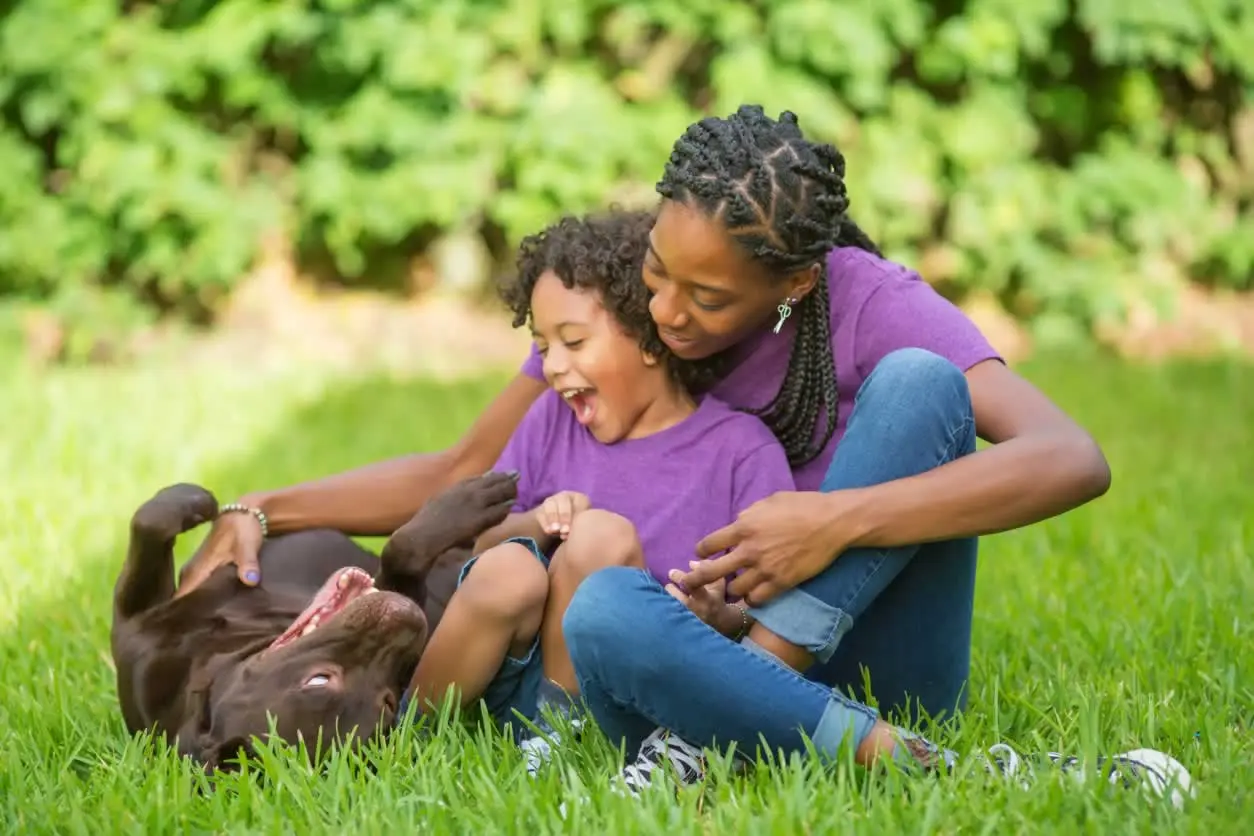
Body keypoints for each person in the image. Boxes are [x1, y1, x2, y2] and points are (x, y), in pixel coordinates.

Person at [175, 105, 1191, 805]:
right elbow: (462, 469)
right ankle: (773, 726)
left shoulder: (867, 300)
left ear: (792, 284)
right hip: (691, 640)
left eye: (706, 300)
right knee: (610, 605)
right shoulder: (619, 312)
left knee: (923, 385)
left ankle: (744, 712)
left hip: (873, 648)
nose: (665, 312)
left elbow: (1073, 456)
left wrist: (833, 518)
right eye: (659, 272)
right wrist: (264, 504)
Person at [378, 210, 799, 777]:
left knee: (603, 533)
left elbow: (769, 608)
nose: (552, 367)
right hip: (513, 677)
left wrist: (721, 618)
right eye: (541, 346)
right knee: (510, 569)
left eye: (572, 341)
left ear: (651, 339)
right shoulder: (551, 420)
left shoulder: (740, 451)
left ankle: (560, 741)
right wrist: (538, 524)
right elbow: (479, 547)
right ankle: (403, 740)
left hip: (631, 689)